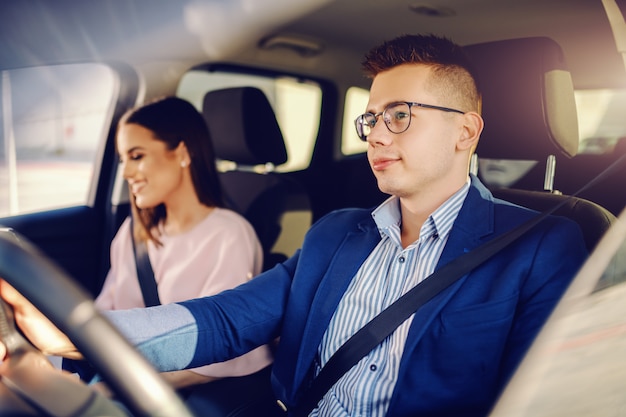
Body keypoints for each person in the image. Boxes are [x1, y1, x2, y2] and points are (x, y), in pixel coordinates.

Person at [1, 34, 588, 416]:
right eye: (371, 119)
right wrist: (74, 334)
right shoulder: (336, 232)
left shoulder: (542, 244)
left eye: (400, 117)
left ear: (466, 131)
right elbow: (223, 320)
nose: (376, 135)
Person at [78, 97, 273, 390]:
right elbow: (103, 314)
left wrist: (116, 389)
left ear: (182, 153)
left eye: (137, 156)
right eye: (122, 160)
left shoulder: (229, 235)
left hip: (163, 392)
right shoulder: (133, 233)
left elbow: (220, 348)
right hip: (119, 373)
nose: (126, 173)